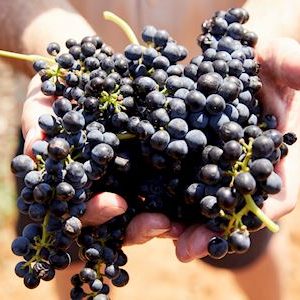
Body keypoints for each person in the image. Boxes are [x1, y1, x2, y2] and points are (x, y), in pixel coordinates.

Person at [1, 0, 300, 299]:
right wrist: (48, 40)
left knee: (243, 246)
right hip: (75, 112)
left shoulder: (239, 150)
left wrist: (268, 27)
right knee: (68, 235)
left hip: (222, 104)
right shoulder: (60, 145)